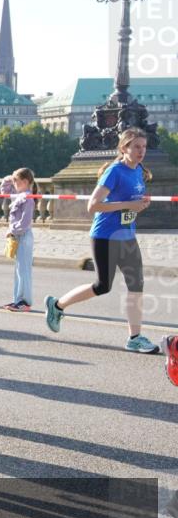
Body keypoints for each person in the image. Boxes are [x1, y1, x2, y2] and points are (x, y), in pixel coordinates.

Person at [44, 127, 159, 353]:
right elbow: (93, 205)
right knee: (102, 286)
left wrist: (140, 205)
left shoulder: (139, 171)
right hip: (105, 236)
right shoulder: (114, 171)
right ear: (124, 148)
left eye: (144, 147)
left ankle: (135, 337)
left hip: (127, 236)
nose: (141, 151)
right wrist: (129, 205)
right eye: (136, 147)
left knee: (136, 284)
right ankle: (57, 305)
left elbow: (129, 204)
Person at [3, 168, 37, 312]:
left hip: (23, 236)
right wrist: (9, 178)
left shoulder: (27, 198)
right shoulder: (19, 195)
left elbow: (25, 222)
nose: (14, 183)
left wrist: (12, 230)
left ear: (25, 182)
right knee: (19, 270)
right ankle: (18, 300)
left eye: (16, 181)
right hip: (19, 235)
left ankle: (25, 302)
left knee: (24, 271)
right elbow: (4, 190)